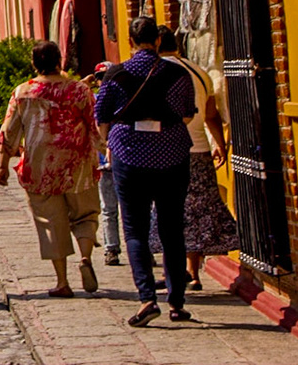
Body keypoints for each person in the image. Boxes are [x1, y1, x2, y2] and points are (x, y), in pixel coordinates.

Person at [95, 16, 197, 327]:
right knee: (172, 230)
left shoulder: (115, 74)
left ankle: (147, 298)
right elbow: (187, 115)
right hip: (172, 155)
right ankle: (177, 303)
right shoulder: (178, 74)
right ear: (157, 41)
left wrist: (109, 141)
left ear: (131, 41)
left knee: (135, 230)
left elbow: (101, 118)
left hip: (130, 156)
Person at [0, 41, 105, 297]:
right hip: (78, 165)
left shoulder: (23, 92)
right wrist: (104, 150)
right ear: (60, 60)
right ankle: (86, 258)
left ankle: (62, 282)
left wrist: (3, 166)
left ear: (34, 64)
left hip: (40, 167)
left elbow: (9, 132)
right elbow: (95, 126)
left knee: (50, 222)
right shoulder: (79, 91)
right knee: (86, 214)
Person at [145, 27, 238, 291]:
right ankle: (192, 272)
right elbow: (210, 113)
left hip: (166, 151)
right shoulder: (199, 72)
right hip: (198, 149)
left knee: (167, 212)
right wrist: (219, 144)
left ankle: (172, 273)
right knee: (195, 212)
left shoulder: (156, 71)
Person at [88, 64, 121, 267]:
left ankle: (141, 249)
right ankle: (112, 249)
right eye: (99, 78)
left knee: (125, 209)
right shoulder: (94, 100)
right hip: (105, 162)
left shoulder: (108, 100)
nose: (103, 82)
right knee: (109, 209)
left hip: (120, 160)